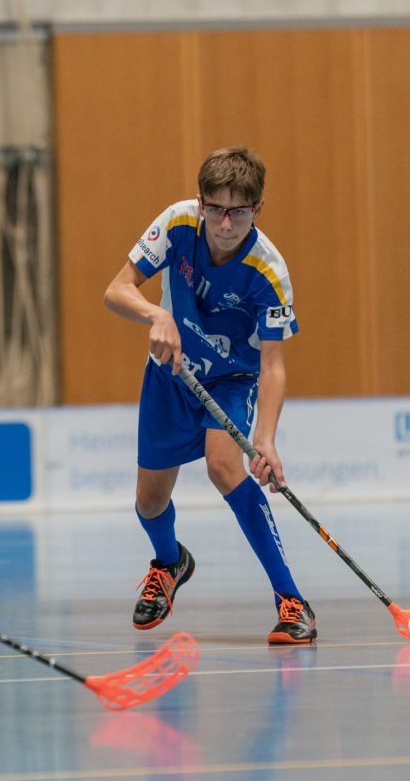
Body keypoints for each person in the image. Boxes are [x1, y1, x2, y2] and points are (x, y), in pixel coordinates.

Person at [103, 146, 314, 644]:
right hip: (170, 374)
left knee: (224, 466)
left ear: (257, 209)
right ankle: (170, 563)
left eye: (238, 212)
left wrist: (266, 438)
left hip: (231, 380)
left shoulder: (269, 272)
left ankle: (292, 602)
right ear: (201, 204)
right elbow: (117, 290)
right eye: (216, 209)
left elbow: (273, 364)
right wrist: (157, 315)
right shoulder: (178, 223)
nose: (225, 224)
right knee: (149, 502)